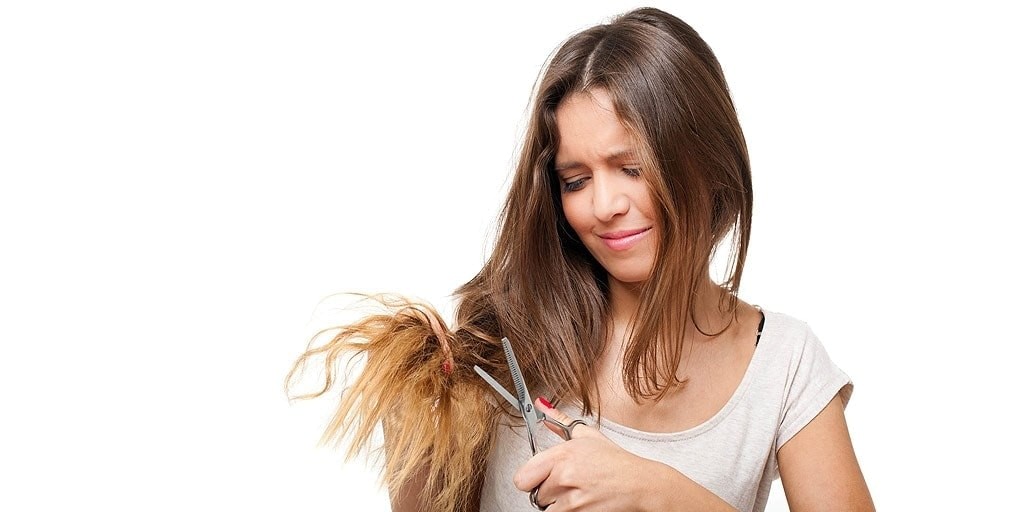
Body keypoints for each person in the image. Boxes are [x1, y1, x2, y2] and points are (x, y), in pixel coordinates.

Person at [286, 7, 874, 512]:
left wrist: (656, 489)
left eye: (632, 168)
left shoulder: (785, 365)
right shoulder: (503, 339)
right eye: (574, 180)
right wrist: (415, 431)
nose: (603, 206)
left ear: (703, 159)